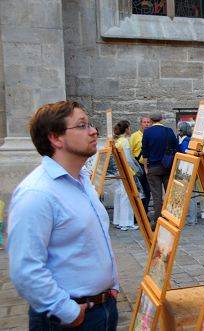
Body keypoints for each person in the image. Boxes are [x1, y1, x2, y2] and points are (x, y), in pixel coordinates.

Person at [7, 101, 119, 330]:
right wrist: (66, 311)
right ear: (55, 138)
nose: (93, 131)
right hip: (68, 319)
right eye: (81, 125)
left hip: (102, 308)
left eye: (90, 124)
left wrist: (112, 284)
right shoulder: (37, 193)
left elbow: (93, 241)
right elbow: (25, 269)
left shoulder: (81, 181)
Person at [142, 113, 178, 228]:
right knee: (169, 194)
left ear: (151, 120)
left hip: (153, 167)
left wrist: (146, 167)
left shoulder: (147, 132)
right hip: (167, 166)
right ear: (162, 119)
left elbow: (145, 151)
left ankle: (157, 220)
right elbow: (176, 148)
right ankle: (171, 219)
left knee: (157, 195)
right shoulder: (169, 131)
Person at [113, 120, 141, 231]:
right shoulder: (124, 141)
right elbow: (128, 159)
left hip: (119, 171)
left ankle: (119, 220)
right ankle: (126, 222)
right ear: (126, 129)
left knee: (119, 196)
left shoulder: (117, 141)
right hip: (127, 171)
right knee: (126, 197)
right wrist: (136, 169)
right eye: (128, 128)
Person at [130, 117, 152, 215]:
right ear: (141, 124)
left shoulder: (152, 135)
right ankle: (138, 214)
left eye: (148, 122)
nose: (146, 124)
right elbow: (130, 152)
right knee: (138, 190)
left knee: (147, 190)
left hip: (149, 166)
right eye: (144, 122)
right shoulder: (135, 136)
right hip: (138, 165)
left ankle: (145, 212)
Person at [177, 121, 197, 225]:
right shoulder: (189, 140)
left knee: (189, 195)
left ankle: (191, 219)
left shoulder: (185, 142)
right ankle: (192, 218)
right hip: (190, 169)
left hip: (187, 170)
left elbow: (186, 156)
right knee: (190, 194)